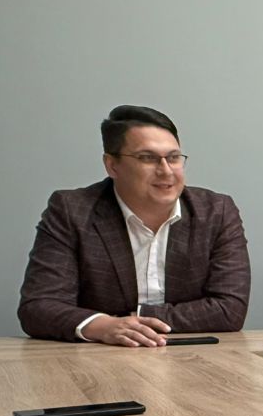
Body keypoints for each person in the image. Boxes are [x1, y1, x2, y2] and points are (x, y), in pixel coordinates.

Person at [17, 105, 250, 345]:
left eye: (173, 158)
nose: (166, 171)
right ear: (112, 165)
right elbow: (38, 307)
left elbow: (229, 309)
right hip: (98, 357)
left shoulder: (216, 212)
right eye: (147, 158)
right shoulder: (72, 211)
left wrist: (132, 319)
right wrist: (103, 327)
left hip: (194, 355)